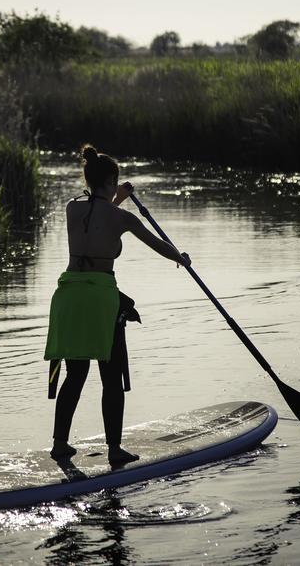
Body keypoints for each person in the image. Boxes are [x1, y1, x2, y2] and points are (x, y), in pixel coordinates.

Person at [44, 144, 190, 467]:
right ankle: (114, 449)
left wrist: (115, 195)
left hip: (68, 296)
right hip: (99, 300)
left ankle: (59, 444)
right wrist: (180, 257)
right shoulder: (122, 218)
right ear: (111, 180)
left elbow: (97, 211)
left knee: (76, 374)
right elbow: (156, 243)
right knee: (110, 379)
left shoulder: (72, 208)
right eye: (115, 181)